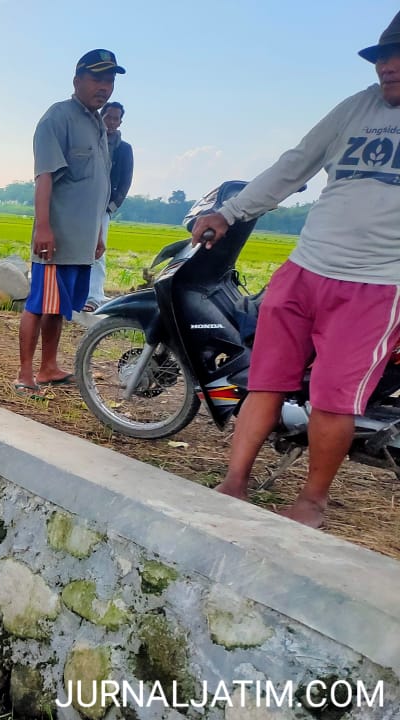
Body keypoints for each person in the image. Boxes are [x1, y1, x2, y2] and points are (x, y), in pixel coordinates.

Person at [189, 10, 400, 529]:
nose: (387, 70)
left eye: (397, 63)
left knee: (332, 397)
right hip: (305, 269)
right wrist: (230, 210)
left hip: (375, 286)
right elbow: (295, 163)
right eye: (381, 62)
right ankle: (234, 482)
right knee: (266, 380)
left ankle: (312, 503)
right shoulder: (357, 108)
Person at [15, 50, 122, 398]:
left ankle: (49, 367)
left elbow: (97, 185)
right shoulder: (57, 118)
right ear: (77, 81)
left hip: (83, 241)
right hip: (56, 239)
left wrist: (97, 235)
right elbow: (45, 177)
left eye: (109, 81)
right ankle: (25, 372)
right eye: (97, 79)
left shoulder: (97, 124)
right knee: (38, 304)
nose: (104, 87)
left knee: (59, 308)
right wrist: (43, 227)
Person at [85, 101, 134, 311]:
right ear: (101, 117)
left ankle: (93, 297)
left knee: (98, 251)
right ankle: (75, 293)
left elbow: (126, 181)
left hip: (104, 206)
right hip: (82, 203)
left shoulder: (124, 149)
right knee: (75, 248)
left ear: (120, 121)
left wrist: (112, 206)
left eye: (116, 118)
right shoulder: (91, 141)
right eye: (108, 117)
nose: (112, 122)